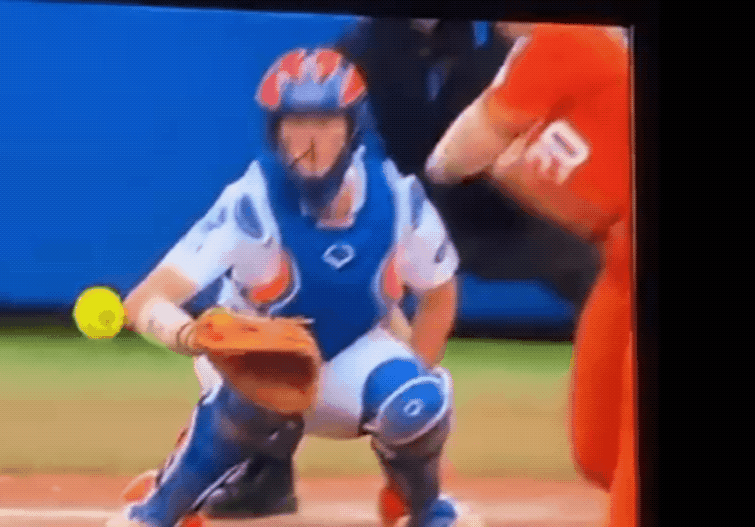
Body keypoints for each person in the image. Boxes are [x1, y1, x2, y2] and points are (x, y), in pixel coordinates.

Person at [107, 47, 481, 527]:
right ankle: (158, 509)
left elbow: (439, 295)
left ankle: (422, 506)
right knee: (252, 401)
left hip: (350, 355)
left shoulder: (396, 198)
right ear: (274, 131)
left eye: (325, 121)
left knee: (419, 404)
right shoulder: (251, 204)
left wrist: (414, 426)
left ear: (352, 127)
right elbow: (145, 300)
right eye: (295, 122)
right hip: (254, 361)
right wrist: (191, 335)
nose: (310, 139)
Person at [424, 23, 635, 526]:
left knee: (634, 464)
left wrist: (457, 164)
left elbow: (454, 156)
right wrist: (514, 171)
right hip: (622, 270)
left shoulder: (568, 37)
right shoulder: (588, 52)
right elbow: (596, 215)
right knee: (599, 451)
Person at [335, 19, 602, 331]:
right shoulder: (367, 45)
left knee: (588, 262)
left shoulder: (475, 47)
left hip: (494, 216)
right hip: (426, 208)